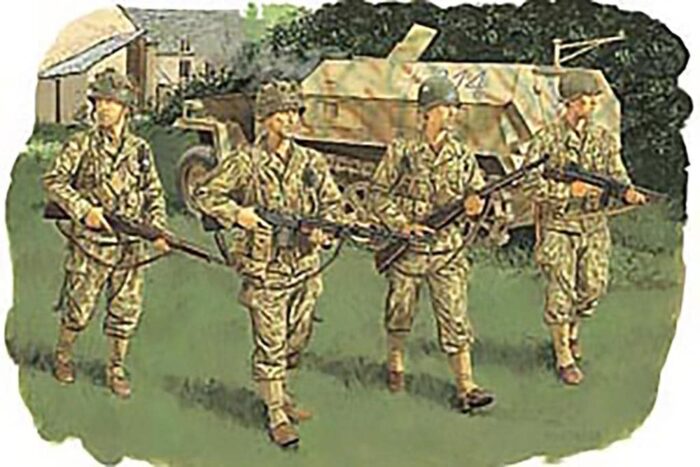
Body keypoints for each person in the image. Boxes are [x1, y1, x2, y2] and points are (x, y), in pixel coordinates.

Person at [193, 80, 347, 448]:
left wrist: (323, 231)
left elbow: (333, 205)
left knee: (298, 335)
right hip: (265, 267)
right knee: (271, 340)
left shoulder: (310, 162)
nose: (290, 119)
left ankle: (282, 392)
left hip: (305, 266)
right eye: (282, 113)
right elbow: (205, 193)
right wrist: (238, 214)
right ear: (264, 118)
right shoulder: (245, 161)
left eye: (294, 112)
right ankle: (276, 412)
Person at [369, 73, 495, 413]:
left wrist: (476, 205)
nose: (451, 114)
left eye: (454, 108)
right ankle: (395, 365)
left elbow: (476, 191)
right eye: (444, 108)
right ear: (425, 113)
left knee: (456, 318)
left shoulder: (462, 154)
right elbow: (377, 194)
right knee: (400, 312)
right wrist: (402, 225)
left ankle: (466, 386)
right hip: (408, 250)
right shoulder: (402, 150)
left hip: (447, 251)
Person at [43, 68, 169, 399]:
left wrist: (157, 229)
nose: (102, 108)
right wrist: (84, 209)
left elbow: (153, 192)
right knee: (78, 309)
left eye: (110, 102)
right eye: (98, 101)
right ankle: (63, 357)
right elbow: (54, 181)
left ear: (125, 108)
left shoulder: (140, 150)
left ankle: (115, 368)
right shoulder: (81, 144)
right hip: (91, 245)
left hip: (130, 246)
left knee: (125, 312)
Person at [525, 70, 647, 385]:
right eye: (584, 101)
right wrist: (568, 191)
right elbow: (528, 183)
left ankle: (573, 331)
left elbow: (617, 175)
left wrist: (627, 192)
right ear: (569, 102)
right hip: (559, 225)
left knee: (593, 287)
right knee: (560, 291)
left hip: (593, 225)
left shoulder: (603, 139)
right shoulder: (546, 139)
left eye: (593, 101)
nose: (590, 107)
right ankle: (563, 355)